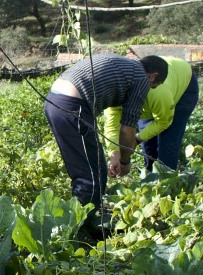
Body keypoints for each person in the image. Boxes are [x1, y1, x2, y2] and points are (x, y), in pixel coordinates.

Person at [44, 54, 167, 227]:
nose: (151, 89)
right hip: (72, 105)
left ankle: (77, 222)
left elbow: (116, 121)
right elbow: (127, 128)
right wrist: (125, 162)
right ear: (153, 76)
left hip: (55, 99)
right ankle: (79, 228)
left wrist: (114, 154)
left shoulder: (127, 67)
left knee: (89, 167)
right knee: (92, 177)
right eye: (155, 85)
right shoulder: (140, 78)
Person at [104, 56, 199, 172]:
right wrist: (114, 154)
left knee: (168, 142)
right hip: (149, 94)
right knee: (148, 144)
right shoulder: (117, 92)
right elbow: (112, 125)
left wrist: (137, 139)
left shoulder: (157, 91)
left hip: (184, 84)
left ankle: (166, 181)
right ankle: (150, 179)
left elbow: (164, 122)